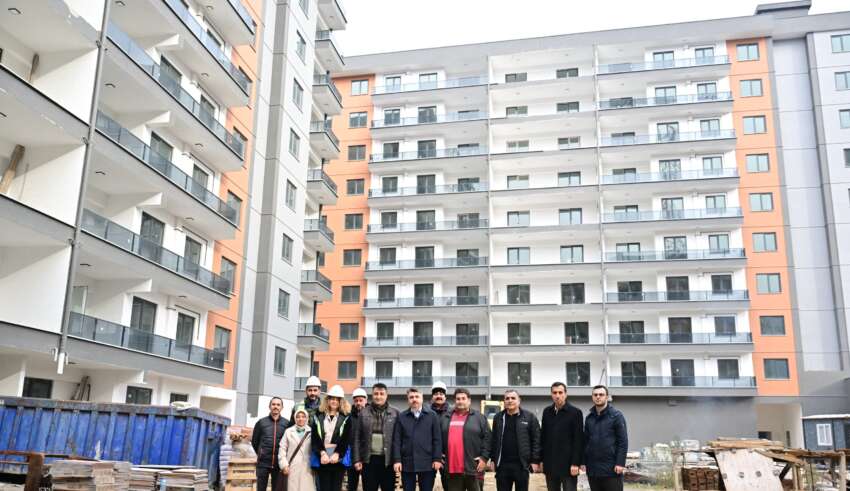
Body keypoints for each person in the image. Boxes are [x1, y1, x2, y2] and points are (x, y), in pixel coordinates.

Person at [392, 387, 443, 491]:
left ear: (422, 398)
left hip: (427, 463)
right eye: (411, 397)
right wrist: (397, 460)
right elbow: (397, 440)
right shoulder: (402, 417)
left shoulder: (432, 416)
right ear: (408, 400)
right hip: (407, 463)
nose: (414, 399)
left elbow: (437, 439)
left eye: (417, 396)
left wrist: (437, 459)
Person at [489, 390, 540, 491]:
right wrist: (493, 459)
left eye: (513, 398)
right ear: (504, 401)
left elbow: (536, 440)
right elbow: (494, 440)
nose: (510, 400)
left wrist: (535, 461)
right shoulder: (498, 418)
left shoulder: (529, 417)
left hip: (522, 466)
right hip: (502, 466)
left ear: (519, 400)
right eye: (507, 398)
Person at [440, 388, 490, 491]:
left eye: (463, 398)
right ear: (455, 401)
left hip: (474, 468)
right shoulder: (445, 417)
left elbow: (488, 439)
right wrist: (438, 455)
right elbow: (438, 439)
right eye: (458, 399)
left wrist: (484, 458)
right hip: (452, 470)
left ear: (469, 400)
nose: (460, 401)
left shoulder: (479, 418)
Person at [352, 383, 399, 491]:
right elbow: (357, 438)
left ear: (386, 395)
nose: (378, 396)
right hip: (368, 460)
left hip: (388, 461)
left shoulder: (395, 413)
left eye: (381, 394)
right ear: (372, 395)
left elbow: (398, 439)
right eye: (376, 394)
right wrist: (357, 459)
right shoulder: (363, 413)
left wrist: (397, 459)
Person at [540, 382, 584, 491]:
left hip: (568, 466)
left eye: (560, 392)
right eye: (555, 393)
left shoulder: (575, 413)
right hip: (550, 464)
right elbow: (543, 438)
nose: (557, 395)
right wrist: (541, 460)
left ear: (566, 394)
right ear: (551, 394)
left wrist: (575, 463)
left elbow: (578, 440)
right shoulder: (547, 412)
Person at [583, 385, 628, 491]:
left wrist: (620, 463)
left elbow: (623, 442)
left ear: (607, 397)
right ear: (592, 397)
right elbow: (585, 442)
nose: (598, 397)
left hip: (612, 470)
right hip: (593, 471)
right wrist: (583, 462)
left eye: (601, 394)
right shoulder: (589, 418)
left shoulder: (616, 416)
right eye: (595, 395)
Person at [311, 385, 352, 491]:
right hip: (323, 458)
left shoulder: (346, 416)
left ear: (341, 401)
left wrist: (337, 453)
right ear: (327, 400)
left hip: (337, 460)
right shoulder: (319, 415)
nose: (334, 401)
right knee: (323, 488)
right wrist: (322, 453)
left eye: (337, 399)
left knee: (336, 488)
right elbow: (315, 437)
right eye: (332, 398)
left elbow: (346, 438)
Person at [252, 397, 289, 491]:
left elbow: (287, 443)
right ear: (269, 406)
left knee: (277, 488)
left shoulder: (286, 424)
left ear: (282, 407)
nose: (275, 406)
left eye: (278, 405)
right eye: (273, 404)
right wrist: (261, 453)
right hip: (263, 463)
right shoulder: (261, 423)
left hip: (278, 463)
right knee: (261, 488)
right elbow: (255, 441)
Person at [280, 408, 315, 491]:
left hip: (307, 467)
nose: (300, 419)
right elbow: (282, 449)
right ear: (295, 418)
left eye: (303, 416)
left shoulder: (312, 432)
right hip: (292, 467)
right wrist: (284, 465)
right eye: (298, 417)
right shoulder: (288, 431)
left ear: (307, 418)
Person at [429, 382, 450, 491]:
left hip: (447, 456)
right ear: (432, 396)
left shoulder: (452, 413)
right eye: (436, 394)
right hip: (429, 456)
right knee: (427, 485)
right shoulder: (426, 412)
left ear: (445, 396)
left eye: (441, 394)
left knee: (449, 485)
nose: (439, 396)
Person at [347, 388, 368, 491]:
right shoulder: (349, 416)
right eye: (356, 400)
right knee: (352, 485)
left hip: (367, 457)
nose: (358, 403)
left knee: (368, 485)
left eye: (361, 400)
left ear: (366, 401)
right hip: (352, 457)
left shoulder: (371, 415)